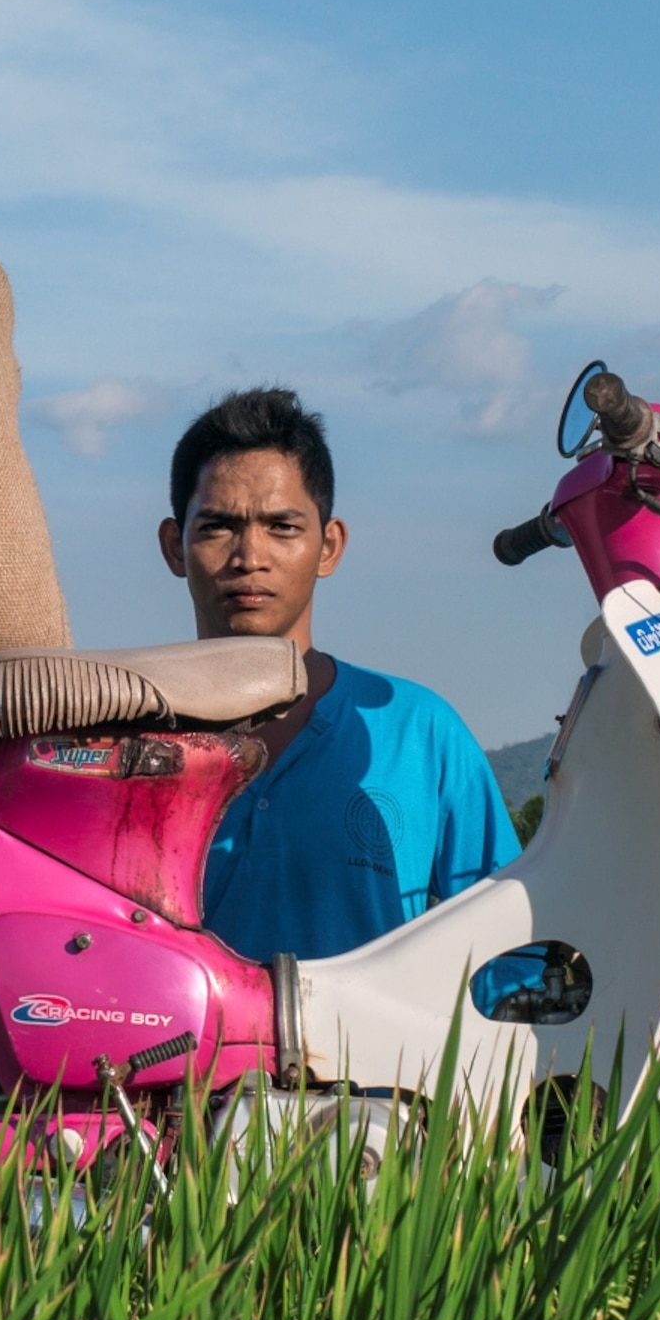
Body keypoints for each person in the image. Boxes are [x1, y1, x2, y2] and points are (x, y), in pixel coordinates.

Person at [161, 388, 537, 1002]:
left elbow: (510, 961)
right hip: (172, 1095)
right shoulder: (123, 744)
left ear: (328, 545)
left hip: (378, 1096)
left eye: (282, 527)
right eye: (218, 527)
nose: (249, 556)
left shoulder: (423, 733)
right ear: (174, 546)